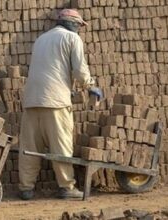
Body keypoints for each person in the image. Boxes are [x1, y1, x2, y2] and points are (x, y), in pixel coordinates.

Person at [18, 9, 103, 200]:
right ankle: (67, 187)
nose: (80, 30)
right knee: (61, 146)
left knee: (30, 147)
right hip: (56, 102)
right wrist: (90, 86)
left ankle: (25, 188)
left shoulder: (41, 39)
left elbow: (51, 68)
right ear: (73, 23)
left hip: (31, 100)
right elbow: (80, 69)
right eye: (80, 26)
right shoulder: (72, 39)